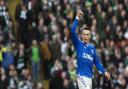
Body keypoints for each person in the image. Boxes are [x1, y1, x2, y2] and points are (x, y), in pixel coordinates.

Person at [71, 10, 110, 89]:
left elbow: (97, 62)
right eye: (84, 34)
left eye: (87, 34)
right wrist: (77, 17)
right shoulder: (78, 44)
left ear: (90, 36)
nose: (85, 36)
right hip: (81, 76)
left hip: (89, 78)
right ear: (82, 35)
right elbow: (72, 31)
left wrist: (104, 72)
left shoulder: (92, 47)